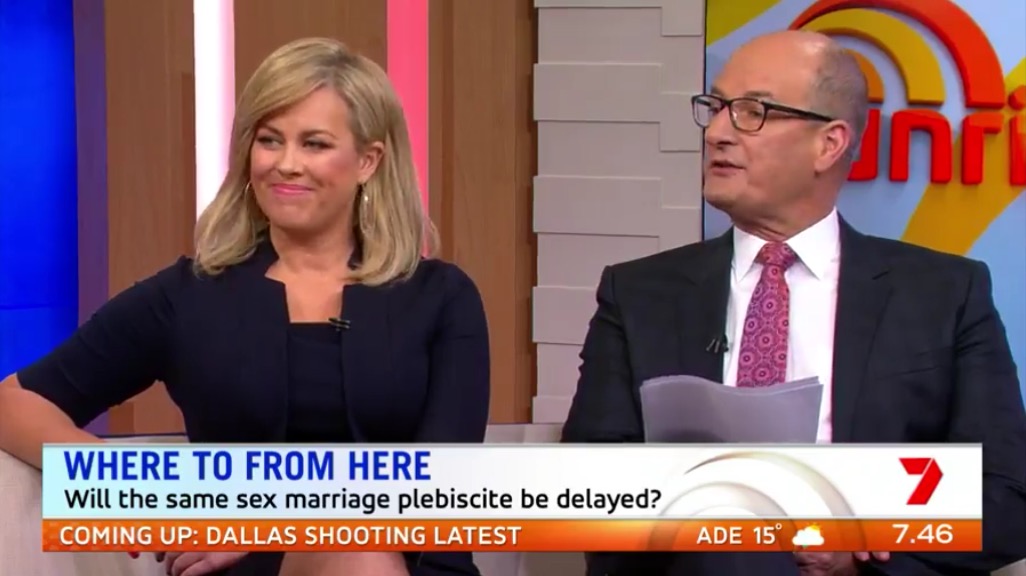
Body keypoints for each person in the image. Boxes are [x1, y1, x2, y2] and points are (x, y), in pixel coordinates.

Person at [0, 37, 490, 576]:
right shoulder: (189, 296)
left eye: (315, 144)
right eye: (269, 140)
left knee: (359, 552)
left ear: (368, 161)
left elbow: (442, 487)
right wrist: (133, 488)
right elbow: (13, 404)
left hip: (410, 563)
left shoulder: (442, 299)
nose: (286, 164)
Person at [561, 30, 1026, 576]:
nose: (717, 132)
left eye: (752, 112)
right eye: (715, 108)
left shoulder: (944, 293)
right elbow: (587, 483)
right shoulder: (639, 292)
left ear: (829, 144)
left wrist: (864, 553)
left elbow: (1006, 495)